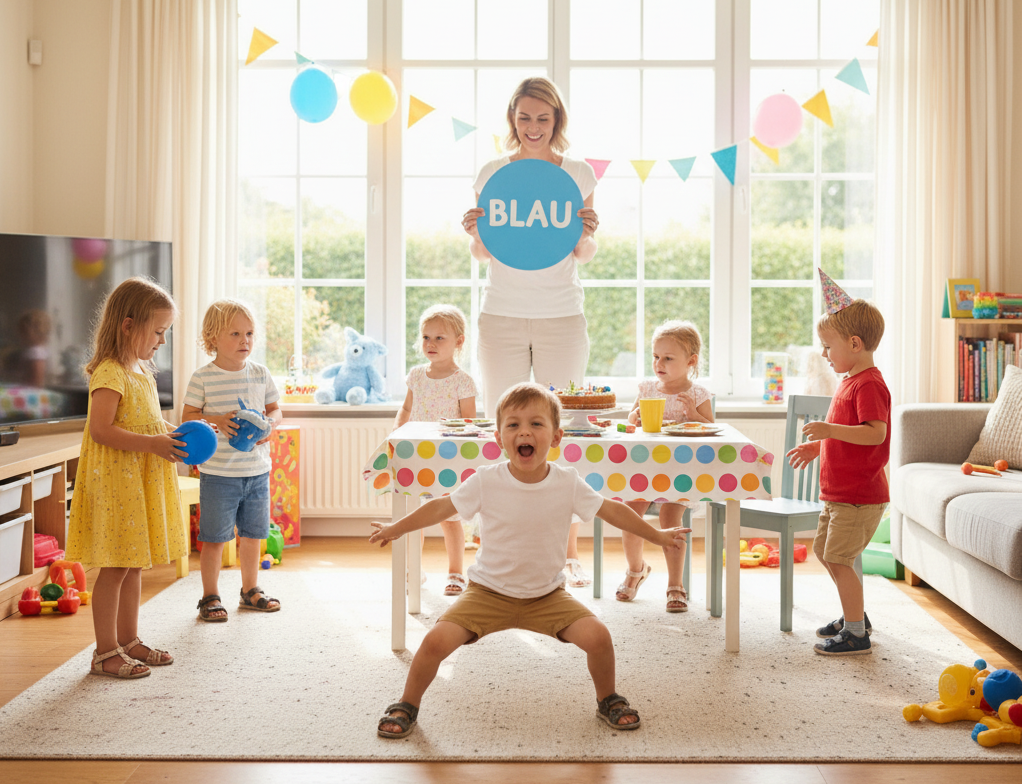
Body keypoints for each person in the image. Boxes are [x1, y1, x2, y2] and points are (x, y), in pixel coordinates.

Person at [370, 382, 690, 737]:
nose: (525, 431)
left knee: (599, 637)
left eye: (536, 424)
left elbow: (612, 510)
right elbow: (442, 505)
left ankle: (608, 699)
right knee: (433, 643)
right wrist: (396, 527)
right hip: (487, 593)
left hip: (547, 596)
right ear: (499, 438)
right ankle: (407, 704)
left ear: (556, 437)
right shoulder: (485, 480)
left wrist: (658, 536)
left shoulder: (568, 482)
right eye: (513, 425)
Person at [462, 75, 600, 589]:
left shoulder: (579, 173)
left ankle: (566, 554)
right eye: (525, 118)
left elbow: (581, 253)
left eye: (543, 118)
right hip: (501, 313)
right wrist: (476, 231)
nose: (534, 127)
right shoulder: (493, 172)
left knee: (557, 434)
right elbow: (484, 252)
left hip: (562, 313)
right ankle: (497, 550)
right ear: (512, 120)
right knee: (506, 431)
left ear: (556, 121)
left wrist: (586, 233)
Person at [66, 277, 188, 679]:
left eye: (164, 333)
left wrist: (170, 434)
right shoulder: (110, 371)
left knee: (134, 565)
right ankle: (104, 653)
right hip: (117, 486)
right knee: (116, 567)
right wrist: (153, 444)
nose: (162, 341)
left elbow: (145, 420)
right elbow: (101, 430)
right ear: (128, 325)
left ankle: (129, 640)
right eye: (158, 332)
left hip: (137, 484)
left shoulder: (142, 371)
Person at [786, 296, 890, 656]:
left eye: (829, 347)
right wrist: (819, 447)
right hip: (838, 492)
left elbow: (875, 433)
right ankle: (854, 615)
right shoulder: (849, 382)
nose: (825, 354)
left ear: (855, 344)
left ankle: (857, 634)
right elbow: (847, 433)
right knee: (825, 551)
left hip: (859, 495)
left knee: (840, 558)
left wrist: (829, 430)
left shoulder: (869, 385)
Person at [182, 299, 282, 622]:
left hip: (256, 472)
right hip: (218, 474)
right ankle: (210, 596)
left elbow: (276, 409)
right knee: (213, 538)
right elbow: (189, 416)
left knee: (253, 535)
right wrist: (216, 420)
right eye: (236, 333)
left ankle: (250, 590)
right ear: (212, 339)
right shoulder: (203, 378)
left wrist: (271, 426)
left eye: (250, 333)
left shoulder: (260, 373)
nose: (245, 341)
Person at [617, 320, 714, 612]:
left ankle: (676, 584)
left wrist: (694, 414)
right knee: (630, 514)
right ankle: (636, 570)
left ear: (691, 361)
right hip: (645, 468)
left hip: (681, 472)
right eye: (656, 357)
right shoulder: (647, 389)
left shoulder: (698, 394)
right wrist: (631, 421)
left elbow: (713, 432)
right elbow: (629, 427)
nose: (659, 363)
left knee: (671, 518)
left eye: (668, 358)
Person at [394, 304, 478, 595]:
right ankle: (413, 570)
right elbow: (406, 408)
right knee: (413, 518)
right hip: (416, 456)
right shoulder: (416, 375)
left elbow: (470, 423)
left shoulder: (462, 381)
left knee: (449, 518)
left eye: (439, 338)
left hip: (448, 459)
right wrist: (396, 437)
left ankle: (456, 573)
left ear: (459, 341)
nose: (430, 343)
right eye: (426, 337)